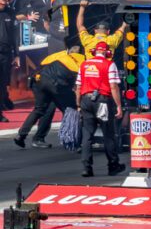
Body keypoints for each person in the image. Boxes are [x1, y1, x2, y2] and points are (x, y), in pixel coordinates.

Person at [14, 45, 83, 149]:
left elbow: (41, 65)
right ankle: (71, 140)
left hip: (38, 81)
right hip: (55, 85)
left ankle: (21, 135)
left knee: (40, 109)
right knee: (70, 109)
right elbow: (78, 84)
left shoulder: (58, 55)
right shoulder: (81, 61)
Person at [75, 41, 125, 177]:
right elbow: (114, 87)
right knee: (108, 133)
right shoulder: (110, 64)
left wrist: (78, 105)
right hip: (102, 101)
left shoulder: (84, 65)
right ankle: (113, 165)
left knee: (87, 135)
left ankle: (87, 168)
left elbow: (78, 87)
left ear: (94, 51)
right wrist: (119, 106)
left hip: (85, 100)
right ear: (107, 52)